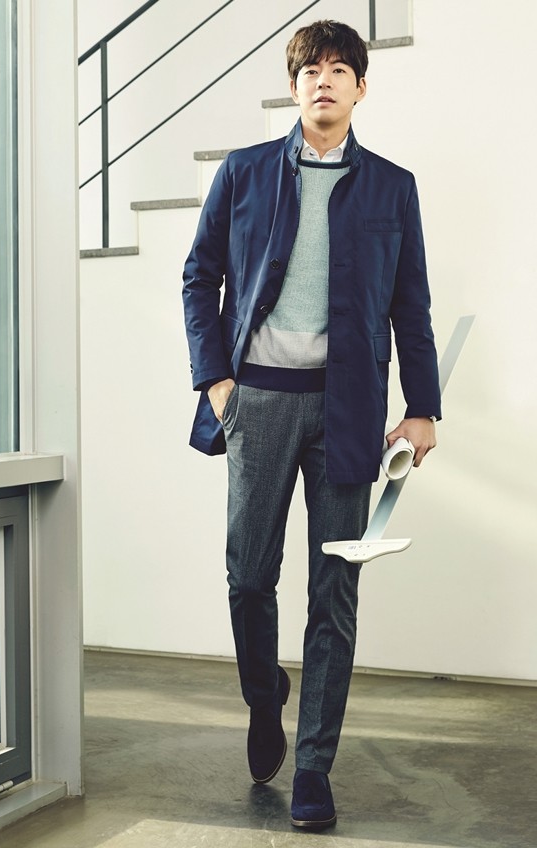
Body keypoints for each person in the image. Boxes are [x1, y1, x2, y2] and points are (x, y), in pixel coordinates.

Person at [182, 19, 441, 830]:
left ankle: (314, 770)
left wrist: (423, 408)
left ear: (362, 86)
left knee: (334, 591)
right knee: (248, 578)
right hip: (256, 402)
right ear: (292, 87)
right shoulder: (244, 172)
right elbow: (199, 277)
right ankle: (265, 697)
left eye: (339, 70)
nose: (323, 81)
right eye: (310, 70)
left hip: (348, 413)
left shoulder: (393, 186)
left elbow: (411, 306)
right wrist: (216, 382)